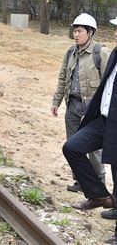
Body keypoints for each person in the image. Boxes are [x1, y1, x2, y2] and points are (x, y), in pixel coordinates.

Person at [62, 15, 117, 238]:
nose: (114, 33)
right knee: (72, 147)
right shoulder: (115, 53)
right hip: (103, 120)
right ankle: (100, 195)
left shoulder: (102, 52)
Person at [53, 13, 110, 193]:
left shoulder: (100, 52)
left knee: (93, 150)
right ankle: (80, 180)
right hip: (73, 106)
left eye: (79, 31)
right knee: (73, 145)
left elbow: (108, 82)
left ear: (90, 32)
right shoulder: (70, 52)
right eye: (74, 31)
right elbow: (62, 78)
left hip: (92, 110)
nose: (76, 35)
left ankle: (98, 184)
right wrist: (57, 101)